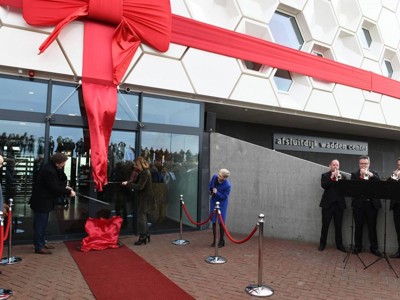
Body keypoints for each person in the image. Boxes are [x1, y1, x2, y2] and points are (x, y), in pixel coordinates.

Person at [30, 153, 76, 254]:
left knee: (43, 223)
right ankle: (39, 246)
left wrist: (65, 187)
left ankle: (42, 242)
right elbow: (54, 187)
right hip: (41, 201)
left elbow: (57, 182)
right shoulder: (49, 171)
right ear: (58, 162)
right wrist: (68, 192)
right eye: (63, 163)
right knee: (40, 224)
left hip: (44, 201)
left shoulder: (52, 168)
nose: (64, 165)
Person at [351, 155, 382, 257]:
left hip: (372, 205)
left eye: (365, 163)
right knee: (358, 227)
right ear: (359, 164)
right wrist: (361, 176)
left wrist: (369, 174)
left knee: (372, 227)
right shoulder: (355, 175)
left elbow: (379, 184)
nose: (363, 165)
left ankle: (374, 248)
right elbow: (353, 189)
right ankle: (357, 247)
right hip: (359, 205)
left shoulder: (374, 174)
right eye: (362, 163)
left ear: (369, 164)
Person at [121, 156, 154, 245]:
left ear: (139, 164)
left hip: (145, 197)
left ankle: (143, 236)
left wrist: (128, 184)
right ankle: (146, 234)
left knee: (141, 216)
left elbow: (140, 186)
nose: (135, 166)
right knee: (143, 216)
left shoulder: (144, 173)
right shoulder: (145, 172)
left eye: (136, 164)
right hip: (145, 197)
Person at [318, 159, 347, 252]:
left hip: (339, 205)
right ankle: (322, 244)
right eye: (334, 165)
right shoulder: (325, 176)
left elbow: (345, 189)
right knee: (325, 225)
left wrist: (339, 178)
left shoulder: (343, 176)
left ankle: (339, 245)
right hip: (327, 205)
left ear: (339, 166)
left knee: (338, 226)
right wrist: (331, 178)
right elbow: (324, 186)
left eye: (337, 165)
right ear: (330, 165)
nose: (335, 167)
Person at [209, 168, 231, 248]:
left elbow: (224, 197)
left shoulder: (227, 185)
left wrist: (217, 193)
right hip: (213, 202)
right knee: (214, 222)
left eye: (220, 176)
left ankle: (221, 240)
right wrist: (211, 191)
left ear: (224, 178)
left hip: (222, 204)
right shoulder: (215, 177)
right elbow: (210, 185)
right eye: (219, 174)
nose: (218, 176)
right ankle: (215, 240)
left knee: (221, 222)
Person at [388, 157, 400, 258]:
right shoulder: (396, 174)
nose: (399, 167)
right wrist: (393, 177)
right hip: (396, 206)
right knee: (398, 230)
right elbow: (387, 186)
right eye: (398, 165)